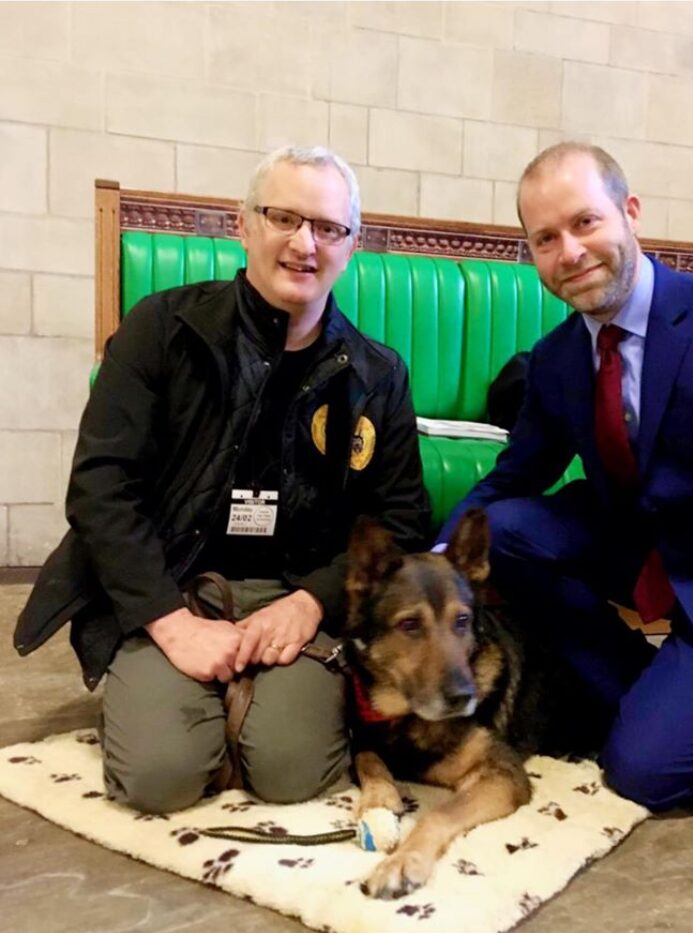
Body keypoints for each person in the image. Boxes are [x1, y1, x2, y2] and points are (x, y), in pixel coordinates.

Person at [14, 145, 430, 813]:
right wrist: (171, 624)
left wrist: (313, 604)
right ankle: (172, 700)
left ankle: (241, 714)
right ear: (245, 226)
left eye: (328, 228)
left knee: (294, 773)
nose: (305, 243)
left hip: (293, 592)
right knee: (160, 778)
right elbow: (100, 489)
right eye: (284, 218)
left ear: (351, 246)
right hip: (170, 578)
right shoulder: (161, 328)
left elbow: (404, 519)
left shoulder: (378, 375)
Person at [437, 141, 693, 822]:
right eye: (546, 239)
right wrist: (433, 561)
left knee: (643, 774)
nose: (569, 252)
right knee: (511, 531)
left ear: (630, 212)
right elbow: (514, 479)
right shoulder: (556, 360)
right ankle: (644, 689)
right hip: (644, 554)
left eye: (585, 223)